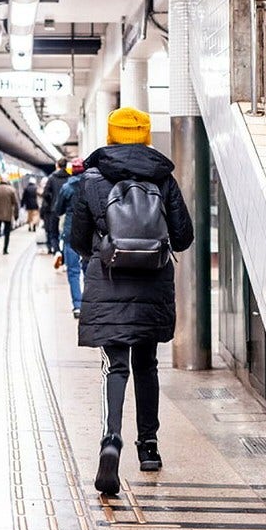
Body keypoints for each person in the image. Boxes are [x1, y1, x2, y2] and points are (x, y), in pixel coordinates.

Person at [68, 106, 194, 497]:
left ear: (109, 136)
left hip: (107, 281)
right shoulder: (164, 178)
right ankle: (149, 447)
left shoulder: (91, 179)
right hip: (153, 283)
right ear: (145, 137)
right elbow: (184, 236)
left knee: (115, 365)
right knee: (147, 364)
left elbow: (76, 239)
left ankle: (111, 439)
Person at [52, 159, 87, 317]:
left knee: (73, 271)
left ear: (71, 171)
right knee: (88, 271)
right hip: (88, 234)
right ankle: (89, 303)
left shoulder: (66, 188)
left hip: (70, 233)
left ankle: (78, 306)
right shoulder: (91, 186)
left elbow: (58, 210)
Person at [40, 159, 71, 254]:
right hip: (66, 211)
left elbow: (45, 194)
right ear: (66, 166)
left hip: (54, 210)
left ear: (57, 165)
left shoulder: (52, 178)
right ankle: (64, 254)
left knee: (53, 233)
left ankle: (57, 251)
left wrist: (50, 202)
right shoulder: (69, 178)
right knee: (65, 234)